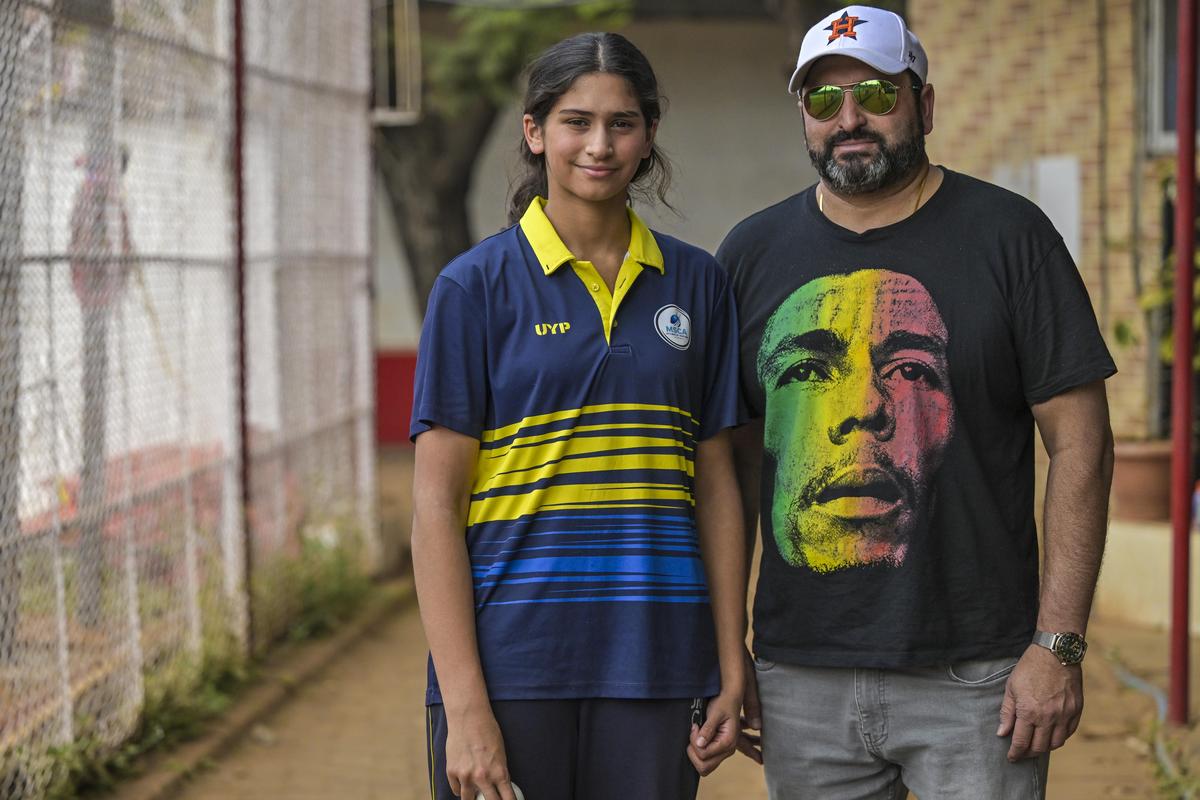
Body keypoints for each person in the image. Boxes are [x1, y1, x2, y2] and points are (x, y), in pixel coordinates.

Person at [717, 6, 1116, 799]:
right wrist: (730, 656)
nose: (851, 118)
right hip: (802, 676)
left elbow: (1082, 445)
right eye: (824, 102)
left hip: (977, 680)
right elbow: (724, 475)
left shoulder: (1011, 239)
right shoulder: (750, 255)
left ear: (924, 105)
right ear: (803, 117)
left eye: (876, 93)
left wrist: (1059, 645)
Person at [410, 32, 746, 800]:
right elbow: (434, 505)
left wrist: (731, 661)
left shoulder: (697, 285)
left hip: (658, 661)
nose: (600, 144)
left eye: (622, 123)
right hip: (511, 664)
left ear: (650, 134)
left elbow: (719, 484)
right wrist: (464, 706)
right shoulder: (474, 288)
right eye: (576, 121)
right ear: (535, 131)